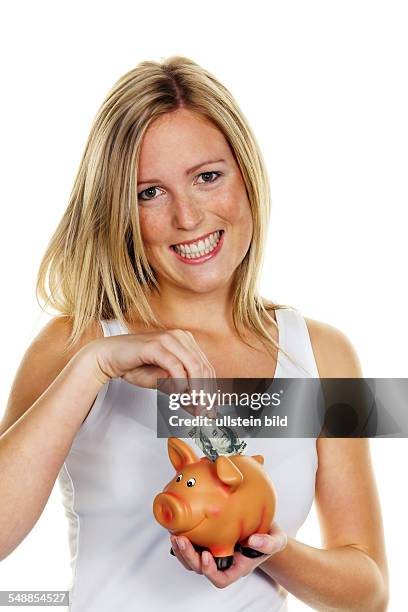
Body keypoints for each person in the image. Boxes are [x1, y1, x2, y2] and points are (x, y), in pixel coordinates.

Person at [0, 56, 389, 611]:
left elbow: (369, 592)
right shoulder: (76, 344)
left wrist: (265, 547)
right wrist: (95, 366)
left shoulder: (324, 355)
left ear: (246, 176)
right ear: (118, 210)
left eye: (208, 177)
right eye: (148, 193)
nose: (187, 218)